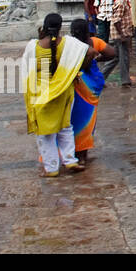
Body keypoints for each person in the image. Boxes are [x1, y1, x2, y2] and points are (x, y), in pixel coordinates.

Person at [22, 13, 88, 178]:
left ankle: (51, 168)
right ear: (60, 27)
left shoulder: (33, 46)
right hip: (63, 91)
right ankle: (70, 160)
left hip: (40, 94)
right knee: (65, 127)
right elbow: (90, 51)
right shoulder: (69, 44)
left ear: (44, 26)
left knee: (45, 133)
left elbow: (27, 70)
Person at [69, 17, 115, 165]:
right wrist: (96, 59)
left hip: (77, 85)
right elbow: (112, 53)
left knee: (72, 119)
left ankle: (71, 152)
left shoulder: (70, 45)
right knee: (88, 120)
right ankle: (82, 154)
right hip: (92, 86)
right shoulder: (94, 42)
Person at [108, 0, 136, 88]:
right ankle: (125, 80)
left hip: (123, 32)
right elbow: (116, 20)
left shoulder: (124, 1)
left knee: (115, 57)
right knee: (123, 58)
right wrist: (122, 35)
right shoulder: (121, 2)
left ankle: (100, 77)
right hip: (120, 34)